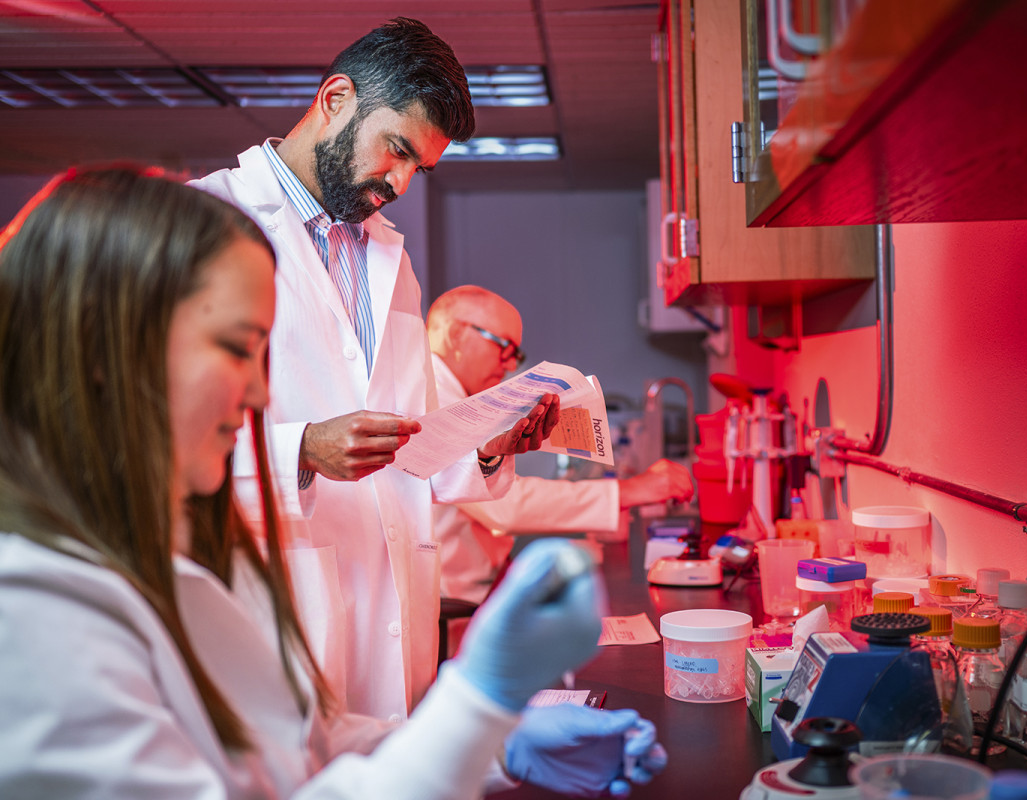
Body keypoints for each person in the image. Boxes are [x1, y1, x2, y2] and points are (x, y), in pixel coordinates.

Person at [0, 165, 667, 799]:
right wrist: (475, 706)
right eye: (236, 349)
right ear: (101, 350)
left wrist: (501, 741)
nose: (261, 391)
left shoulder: (174, 554)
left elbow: (303, 745)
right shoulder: (29, 612)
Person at [189, 17, 555, 719]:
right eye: (396, 149)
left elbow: (411, 435)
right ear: (334, 98)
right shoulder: (203, 223)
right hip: (272, 603)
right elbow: (138, 447)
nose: (403, 182)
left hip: (398, 612)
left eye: (419, 167)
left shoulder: (389, 257)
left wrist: (484, 444)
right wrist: (302, 451)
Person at [427, 285, 695, 614]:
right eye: (504, 347)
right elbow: (504, 508)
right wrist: (630, 490)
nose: (510, 366)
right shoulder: (432, 398)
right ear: (456, 334)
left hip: (478, 584)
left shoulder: (451, 394)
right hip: (455, 601)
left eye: (517, 355)